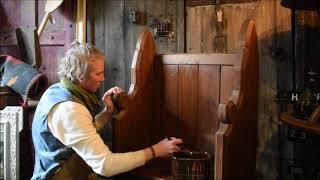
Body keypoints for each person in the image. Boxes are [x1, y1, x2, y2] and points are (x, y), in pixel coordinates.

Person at [31, 41, 183, 179]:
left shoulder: (57, 90)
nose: (103, 78)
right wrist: (155, 151)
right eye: (98, 73)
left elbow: (79, 132)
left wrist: (107, 112)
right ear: (80, 76)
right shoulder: (69, 110)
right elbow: (105, 165)